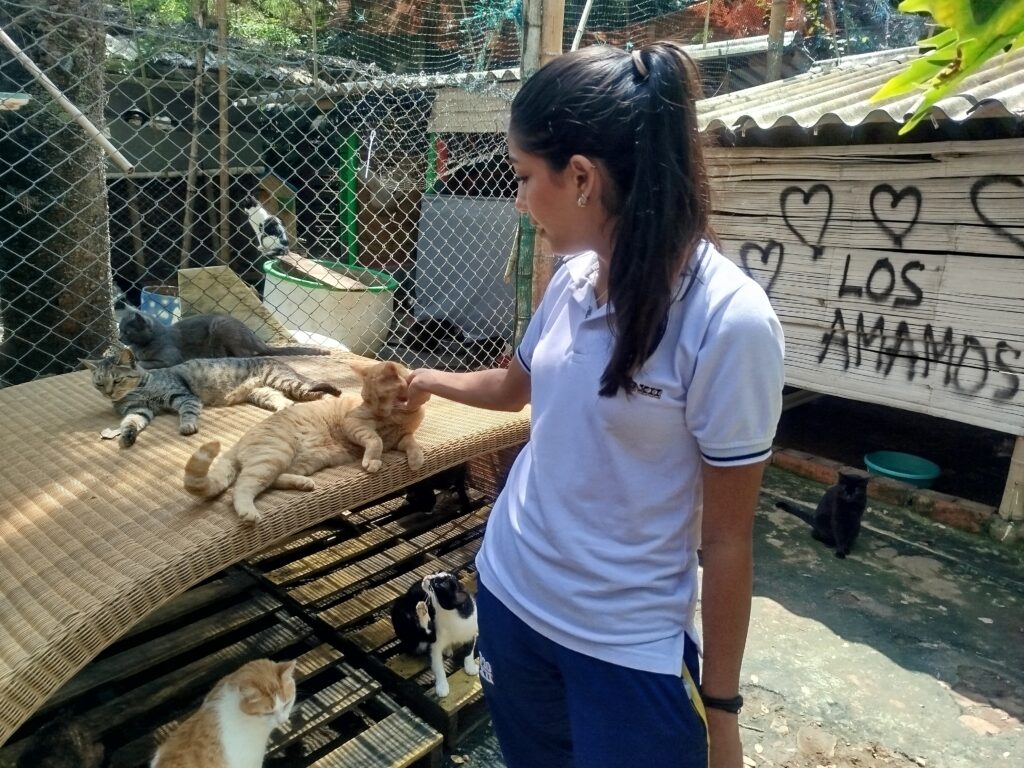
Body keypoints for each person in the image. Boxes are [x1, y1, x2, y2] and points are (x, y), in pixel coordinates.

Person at [404, 43, 785, 768]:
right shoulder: (572, 278)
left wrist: (725, 714)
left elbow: (729, 541)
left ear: (581, 178)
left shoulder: (728, 322)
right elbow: (515, 386)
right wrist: (426, 378)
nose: (517, 202)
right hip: (514, 597)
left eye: (522, 177)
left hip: (623, 645)